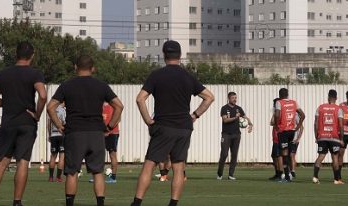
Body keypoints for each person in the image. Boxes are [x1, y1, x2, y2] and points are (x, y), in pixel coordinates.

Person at [130, 40, 214, 206]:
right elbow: (209, 97)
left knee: (149, 165)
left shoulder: (157, 75)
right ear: (180, 56)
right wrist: (195, 115)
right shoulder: (188, 76)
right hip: (184, 127)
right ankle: (173, 203)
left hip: (163, 126)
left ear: (164, 55)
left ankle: (137, 203)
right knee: (178, 167)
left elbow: (140, 99)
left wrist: (148, 121)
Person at [47, 55, 124, 206]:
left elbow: (50, 107)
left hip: (75, 133)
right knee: (97, 172)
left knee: (71, 172)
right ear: (93, 68)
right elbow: (119, 106)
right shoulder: (101, 85)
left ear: (75, 67)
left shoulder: (66, 85)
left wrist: (60, 126)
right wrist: (109, 127)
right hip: (96, 134)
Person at [0, 41, 47, 206]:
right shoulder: (35, 74)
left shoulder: (3, 74)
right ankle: (17, 202)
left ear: (16, 54)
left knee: (1, 162)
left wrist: (9, 102)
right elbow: (42, 95)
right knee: (23, 162)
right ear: (32, 56)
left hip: (8, 123)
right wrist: (37, 114)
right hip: (27, 123)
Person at [217, 92, 253, 180]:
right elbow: (225, 120)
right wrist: (235, 118)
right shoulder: (224, 108)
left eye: (235, 98)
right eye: (233, 98)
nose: (235, 99)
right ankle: (219, 173)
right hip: (226, 134)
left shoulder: (239, 108)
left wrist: (250, 124)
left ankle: (231, 175)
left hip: (236, 135)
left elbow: (245, 117)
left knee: (234, 155)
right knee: (224, 154)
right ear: (229, 98)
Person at [273, 88, 306, 183]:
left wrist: (276, 125)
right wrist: (298, 126)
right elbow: (303, 115)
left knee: (284, 154)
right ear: (287, 94)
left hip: (283, 131)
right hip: (292, 131)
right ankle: (290, 173)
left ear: (280, 95)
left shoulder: (279, 102)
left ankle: (287, 176)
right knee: (290, 154)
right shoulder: (294, 102)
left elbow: (277, 115)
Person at [313, 90, 345, 184]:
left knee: (321, 156)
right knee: (335, 157)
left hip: (322, 136)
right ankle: (336, 179)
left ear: (328, 97)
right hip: (334, 137)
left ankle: (315, 176)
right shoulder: (338, 109)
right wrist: (341, 139)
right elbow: (341, 125)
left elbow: (315, 123)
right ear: (336, 98)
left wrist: (316, 136)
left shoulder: (320, 108)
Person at [48, 102, 66, 182]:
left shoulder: (52, 109)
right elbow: (64, 123)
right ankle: (58, 177)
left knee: (53, 156)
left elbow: (49, 123)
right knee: (62, 157)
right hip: (61, 135)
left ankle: (51, 177)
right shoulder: (63, 110)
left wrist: (49, 134)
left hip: (53, 135)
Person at [103, 102, 120, 183]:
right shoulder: (100, 106)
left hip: (112, 133)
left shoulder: (114, 106)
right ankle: (97, 176)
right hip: (101, 133)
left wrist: (109, 130)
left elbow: (118, 119)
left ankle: (113, 177)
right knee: (98, 154)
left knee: (112, 154)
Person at [268, 97, 283, 181]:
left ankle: (280, 173)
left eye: (274, 104)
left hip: (278, 137)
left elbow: (272, 122)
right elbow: (271, 123)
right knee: (274, 156)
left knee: (278, 156)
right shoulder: (276, 112)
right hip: (275, 137)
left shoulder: (279, 113)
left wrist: (274, 114)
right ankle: (277, 173)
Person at [289, 115, 304, 180]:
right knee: (286, 156)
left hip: (294, 140)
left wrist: (298, 139)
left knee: (292, 155)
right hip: (287, 138)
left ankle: (293, 171)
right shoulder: (285, 112)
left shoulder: (295, 116)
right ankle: (288, 171)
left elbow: (302, 127)